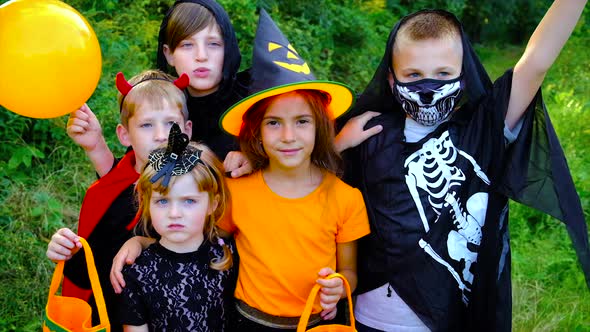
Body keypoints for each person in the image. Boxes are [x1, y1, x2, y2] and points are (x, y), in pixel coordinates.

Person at [110, 9, 371, 331]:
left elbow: (350, 272)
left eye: (302, 122)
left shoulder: (346, 199)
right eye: (274, 123)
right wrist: (142, 243)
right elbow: (195, 236)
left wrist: (339, 287)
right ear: (257, 132)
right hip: (247, 321)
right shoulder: (240, 192)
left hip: (316, 323)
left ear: (320, 127)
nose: (288, 136)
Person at [339, 2, 590, 331]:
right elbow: (311, 188)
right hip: (375, 316)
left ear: (464, 72)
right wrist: (337, 144)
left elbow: (537, 62)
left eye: (443, 74)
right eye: (413, 75)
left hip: (455, 316)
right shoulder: (370, 133)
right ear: (391, 79)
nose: (427, 88)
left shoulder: (484, 128)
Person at [46, 69, 193, 332]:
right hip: (107, 310)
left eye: (171, 124)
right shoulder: (113, 187)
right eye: (147, 125)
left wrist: (142, 242)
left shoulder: (195, 189)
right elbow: (92, 250)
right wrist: (68, 250)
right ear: (125, 135)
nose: (161, 135)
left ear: (186, 131)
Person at [67, 0, 251, 178]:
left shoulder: (253, 102)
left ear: (228, 49)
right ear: (168, 54)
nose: (201, 56)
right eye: (187, 45)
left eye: (213, 44)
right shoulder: (161, 103)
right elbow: (132, 183)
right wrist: (96, 146)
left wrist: (257, 159)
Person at [119, 126, 236, 331]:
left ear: (213, 204)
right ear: (147, 203)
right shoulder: (137, 271)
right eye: (162, 202)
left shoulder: (228, 255)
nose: (174, 213)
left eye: (189, 201)